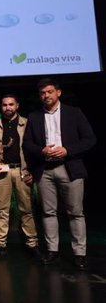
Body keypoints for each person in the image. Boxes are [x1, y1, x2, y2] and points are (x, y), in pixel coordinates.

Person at [23, 78, 96, 270]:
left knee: (75, 213)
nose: (46, 96)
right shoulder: (35, 116)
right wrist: (42, 151)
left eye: (49, 92)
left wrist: (68, 150)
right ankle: (52, 251)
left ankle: (80, 254)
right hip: (45, 169)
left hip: (69, 167)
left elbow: (89, 139)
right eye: (42, 93)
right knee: (48, 212)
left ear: (58, 93)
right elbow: (27, 144)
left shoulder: (74, 113)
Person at [0, 94, 40, 258]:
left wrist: (33, 171)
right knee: (1, 209)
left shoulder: (27, 124)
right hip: (2, 171)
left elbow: (35, 149)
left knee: (26, 209)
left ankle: (32, 243)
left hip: (22, 171)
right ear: (1, 106)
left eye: (11, 104)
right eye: (4, 105)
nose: (8, 107)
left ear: (17, 106)